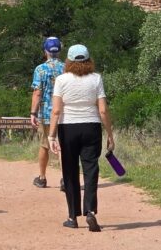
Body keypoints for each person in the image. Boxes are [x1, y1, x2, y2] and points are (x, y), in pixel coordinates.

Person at [49, 44, 115, 232]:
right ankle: (90, 212)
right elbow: (102, 110)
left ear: (68, 61)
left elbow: (56, 110)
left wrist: (52, 136)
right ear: (88, 60)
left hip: (67, 127)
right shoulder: (96, 79)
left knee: (69, 172)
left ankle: (72, 216)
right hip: (91, 127)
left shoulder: (61, 80)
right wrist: (109, 134)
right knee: (91, 169)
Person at [30, 36, 65, 189]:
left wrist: (33, 113)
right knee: (63, 146)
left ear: (45, 51)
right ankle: (65, 178)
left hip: (46, 114)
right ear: (59, 50)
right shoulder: (66, 68)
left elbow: (37, 93)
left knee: (45, 145)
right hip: (64, 114)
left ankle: (42, 177)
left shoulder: (40, 69)